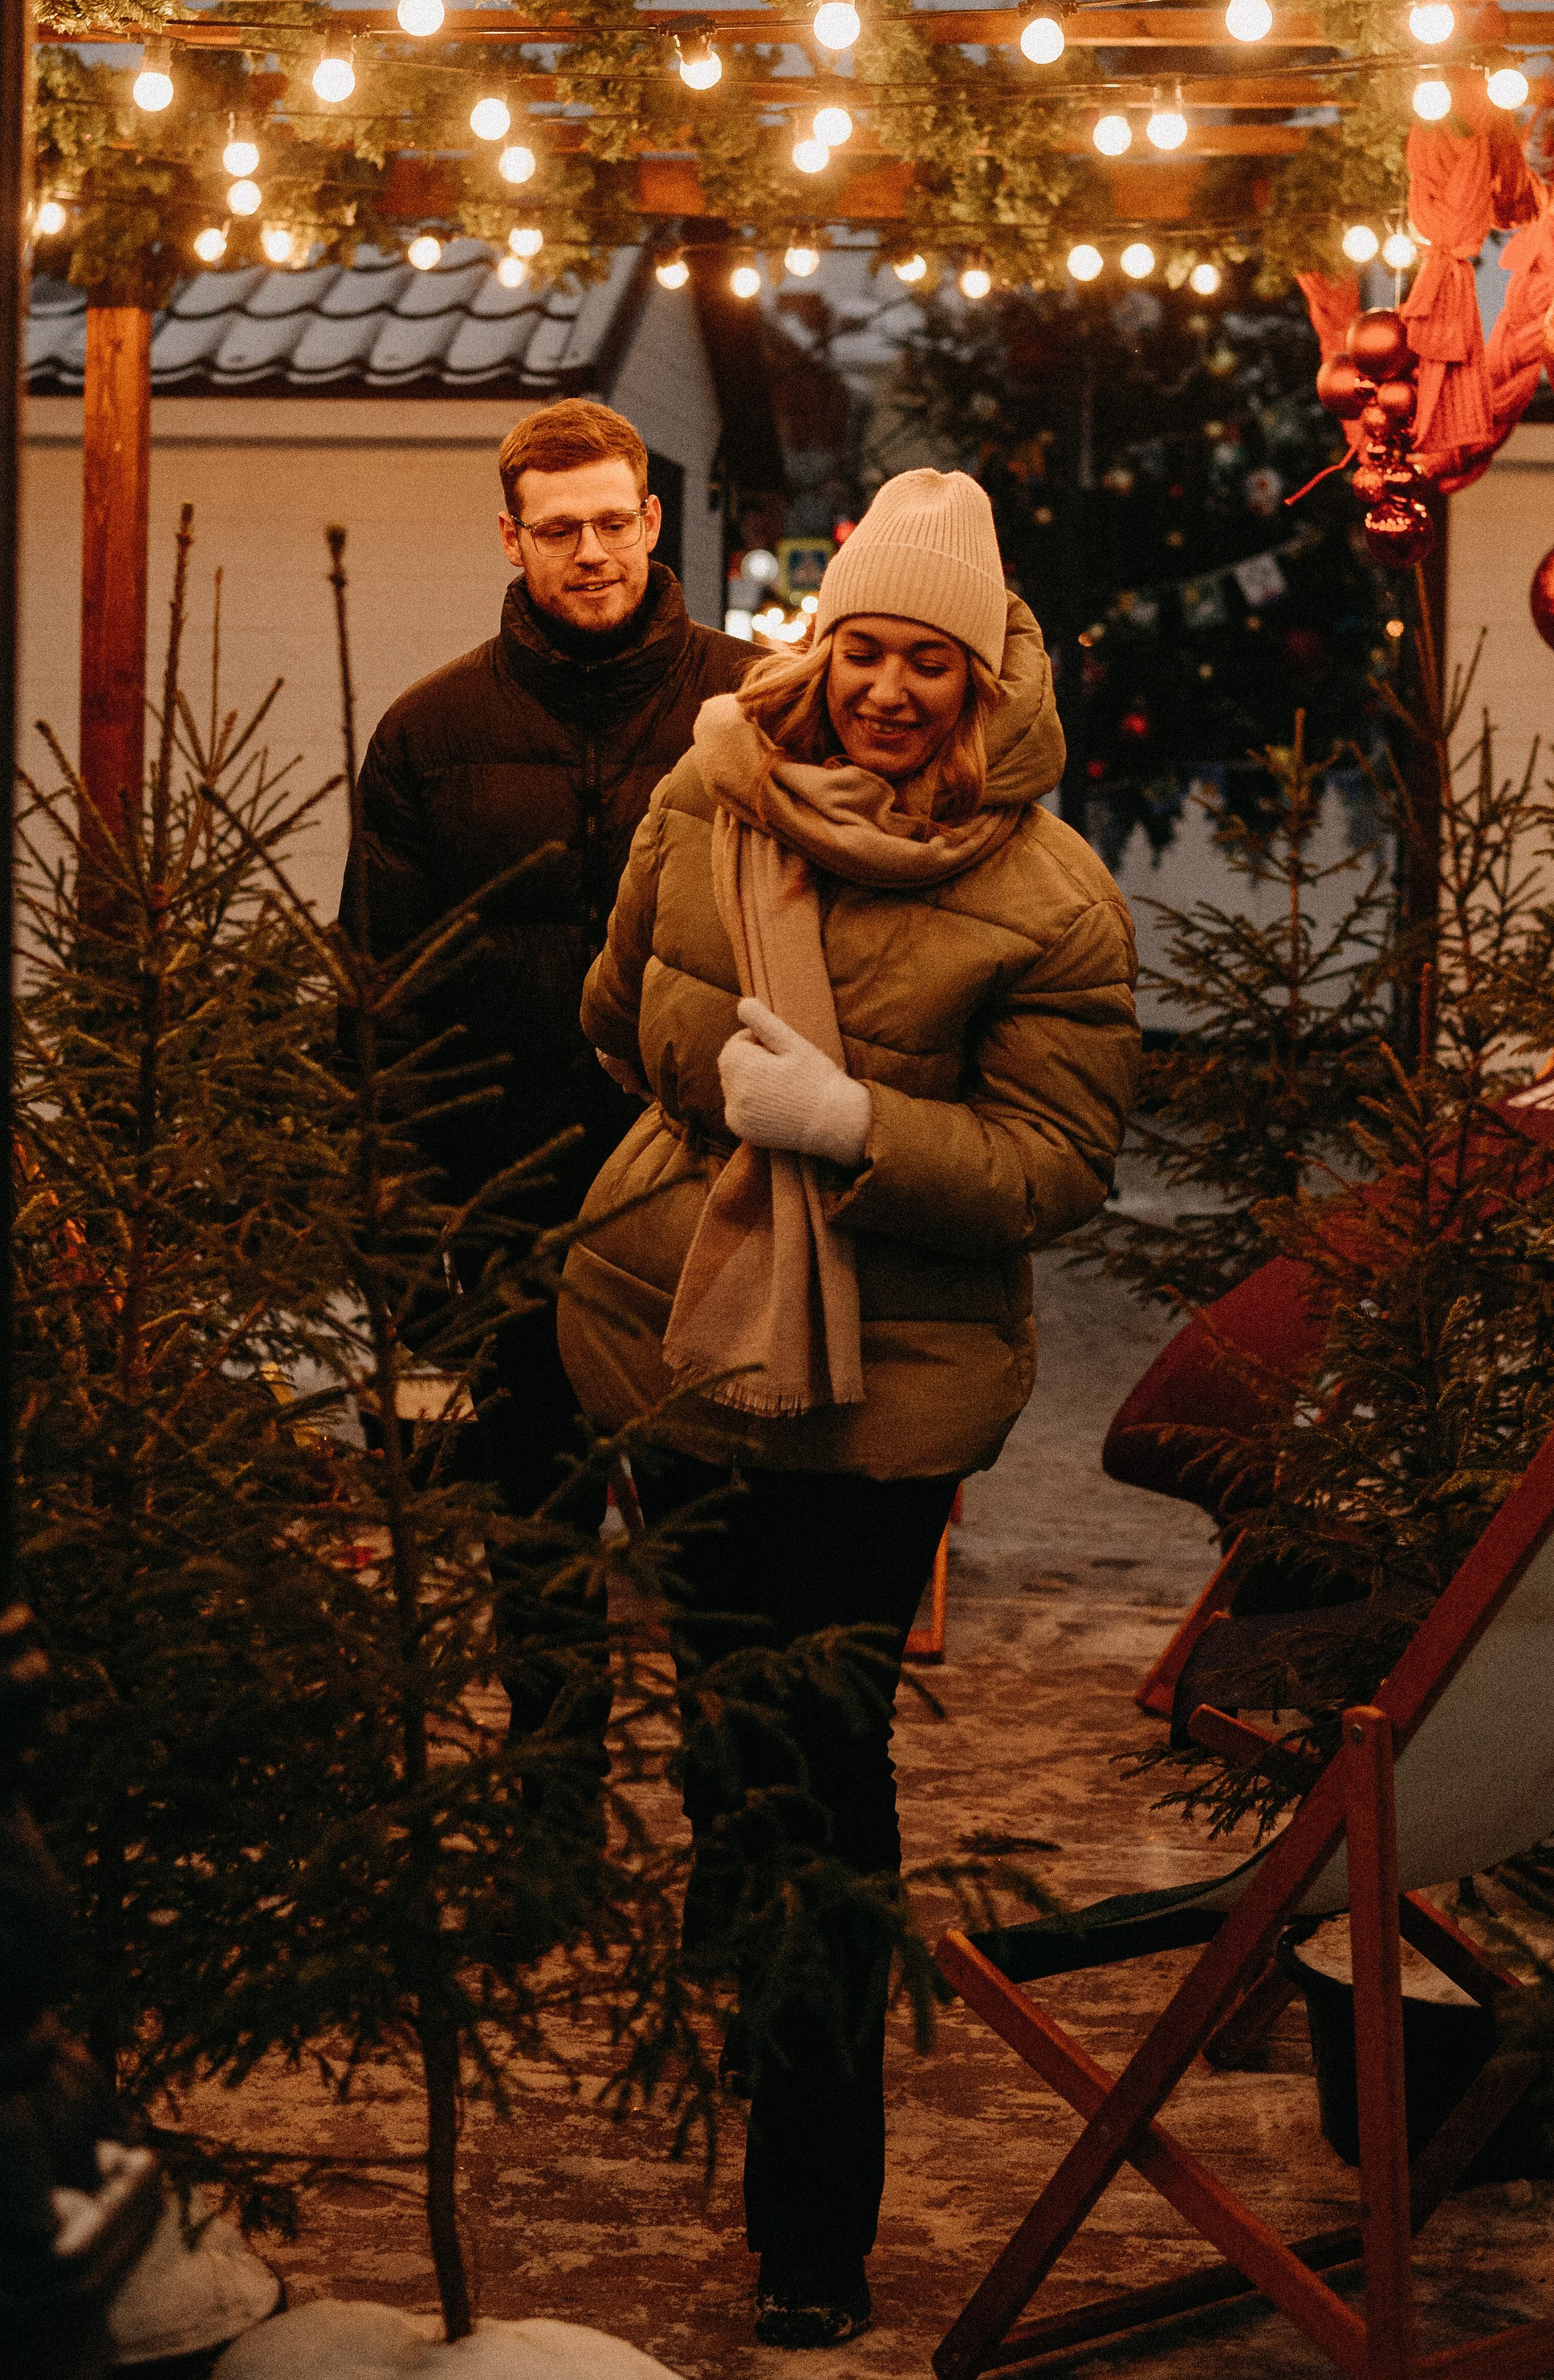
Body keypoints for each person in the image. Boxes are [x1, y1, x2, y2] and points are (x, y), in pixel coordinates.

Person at [558, 468, 1141, 2349]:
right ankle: (745, 2030)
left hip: (880, 1394)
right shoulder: (711, 786)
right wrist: (718, 1083)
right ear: (823, 649)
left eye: (932, 668)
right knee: (727, 1754)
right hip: (670, 1345)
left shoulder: (1047, 894)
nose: (893, 693)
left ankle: (812, 2222)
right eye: (868, 651)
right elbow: (614, 1007)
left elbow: (1056, 1164)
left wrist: (849, 1128)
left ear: (988, 686)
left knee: (820, 1789)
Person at [343, 401, 753, 1792]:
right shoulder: (430, 733)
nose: (593, 552)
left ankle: (726, 1861)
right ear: (511, 539)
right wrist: (411, 1214)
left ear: (652, 522)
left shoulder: (749, 712)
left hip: (709, 1203)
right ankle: (554, 1833)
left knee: (719, 1552)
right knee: (535, 1543)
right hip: (510, 1204)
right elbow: (384, 993)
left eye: (615, 522)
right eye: (560, 529)